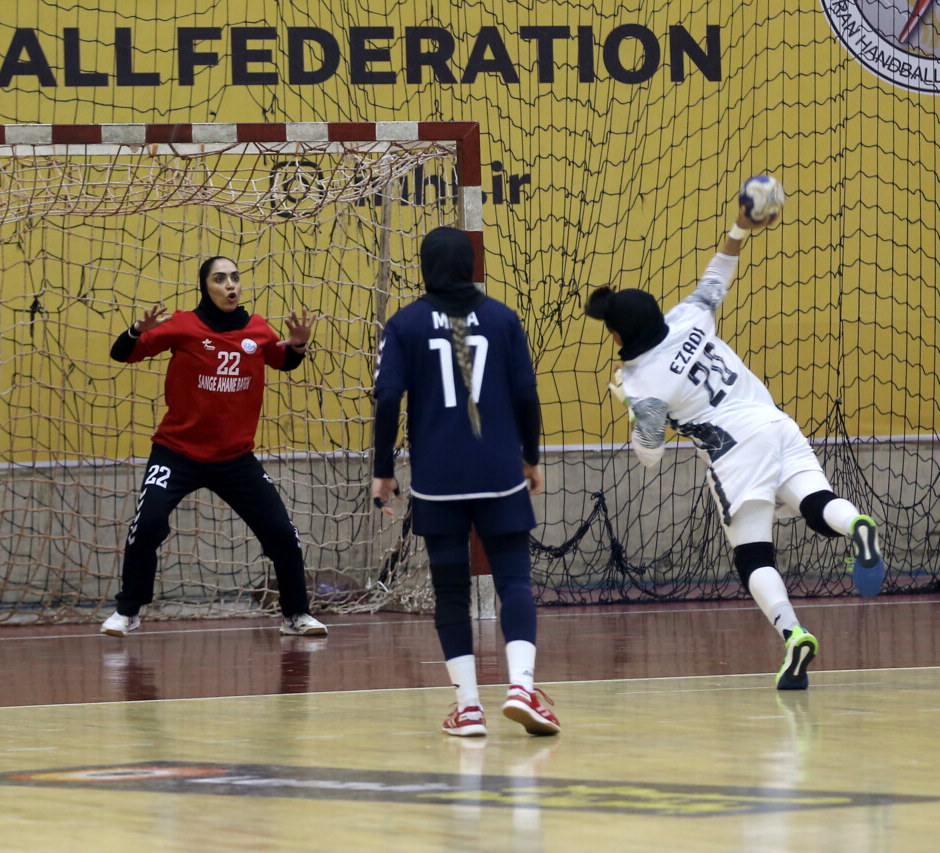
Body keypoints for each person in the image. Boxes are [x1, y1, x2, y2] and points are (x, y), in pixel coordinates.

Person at [584, 194, 887, 690]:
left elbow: (650, 455)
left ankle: (794, 635)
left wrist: (633, 409)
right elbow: (718, 273)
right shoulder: (688, 317)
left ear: (617, 336)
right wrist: (741, 226)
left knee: (753, 556)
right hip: (775, 422)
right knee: (817, 502)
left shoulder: (640, 383)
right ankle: (857, 524)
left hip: (736, 452)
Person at [372, 226, 560, 738]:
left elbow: (387, 398)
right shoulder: (502, 318)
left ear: (424, 267)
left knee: (451, 592)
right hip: (499, 472)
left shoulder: (404, 323)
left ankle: (470, 708)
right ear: (472, 264)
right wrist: (530, 458)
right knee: (514, 581)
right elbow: (527, 394)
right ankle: (521, 687)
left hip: (438, 480)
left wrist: (383, 470)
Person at [100, 256, 328, 638]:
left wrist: (300, 344)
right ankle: (128, 611)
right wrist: (136, 330)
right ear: (206, 287)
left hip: (235, 458)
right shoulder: (183, 324)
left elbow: (283, 360)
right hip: (176, 452)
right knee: (148, 524)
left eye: (234, 277)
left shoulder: (257, 329)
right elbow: (122, 353)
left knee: (282, 534)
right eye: (220, 279)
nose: (230, 285)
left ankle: (295, 615)